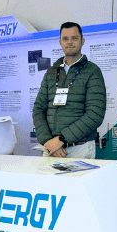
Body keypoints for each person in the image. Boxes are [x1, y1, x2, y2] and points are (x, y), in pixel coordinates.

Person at [32, 22, 106, 159]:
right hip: (51, 148)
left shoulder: (92, 71)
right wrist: (48, 142)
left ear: (82, 41)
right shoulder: (51, 72)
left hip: (79, 149)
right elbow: (38, 109)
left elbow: (95, 114)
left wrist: (61, 140)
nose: (70, 42)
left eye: (74, 38)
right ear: (60, 42)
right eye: (65, 39)